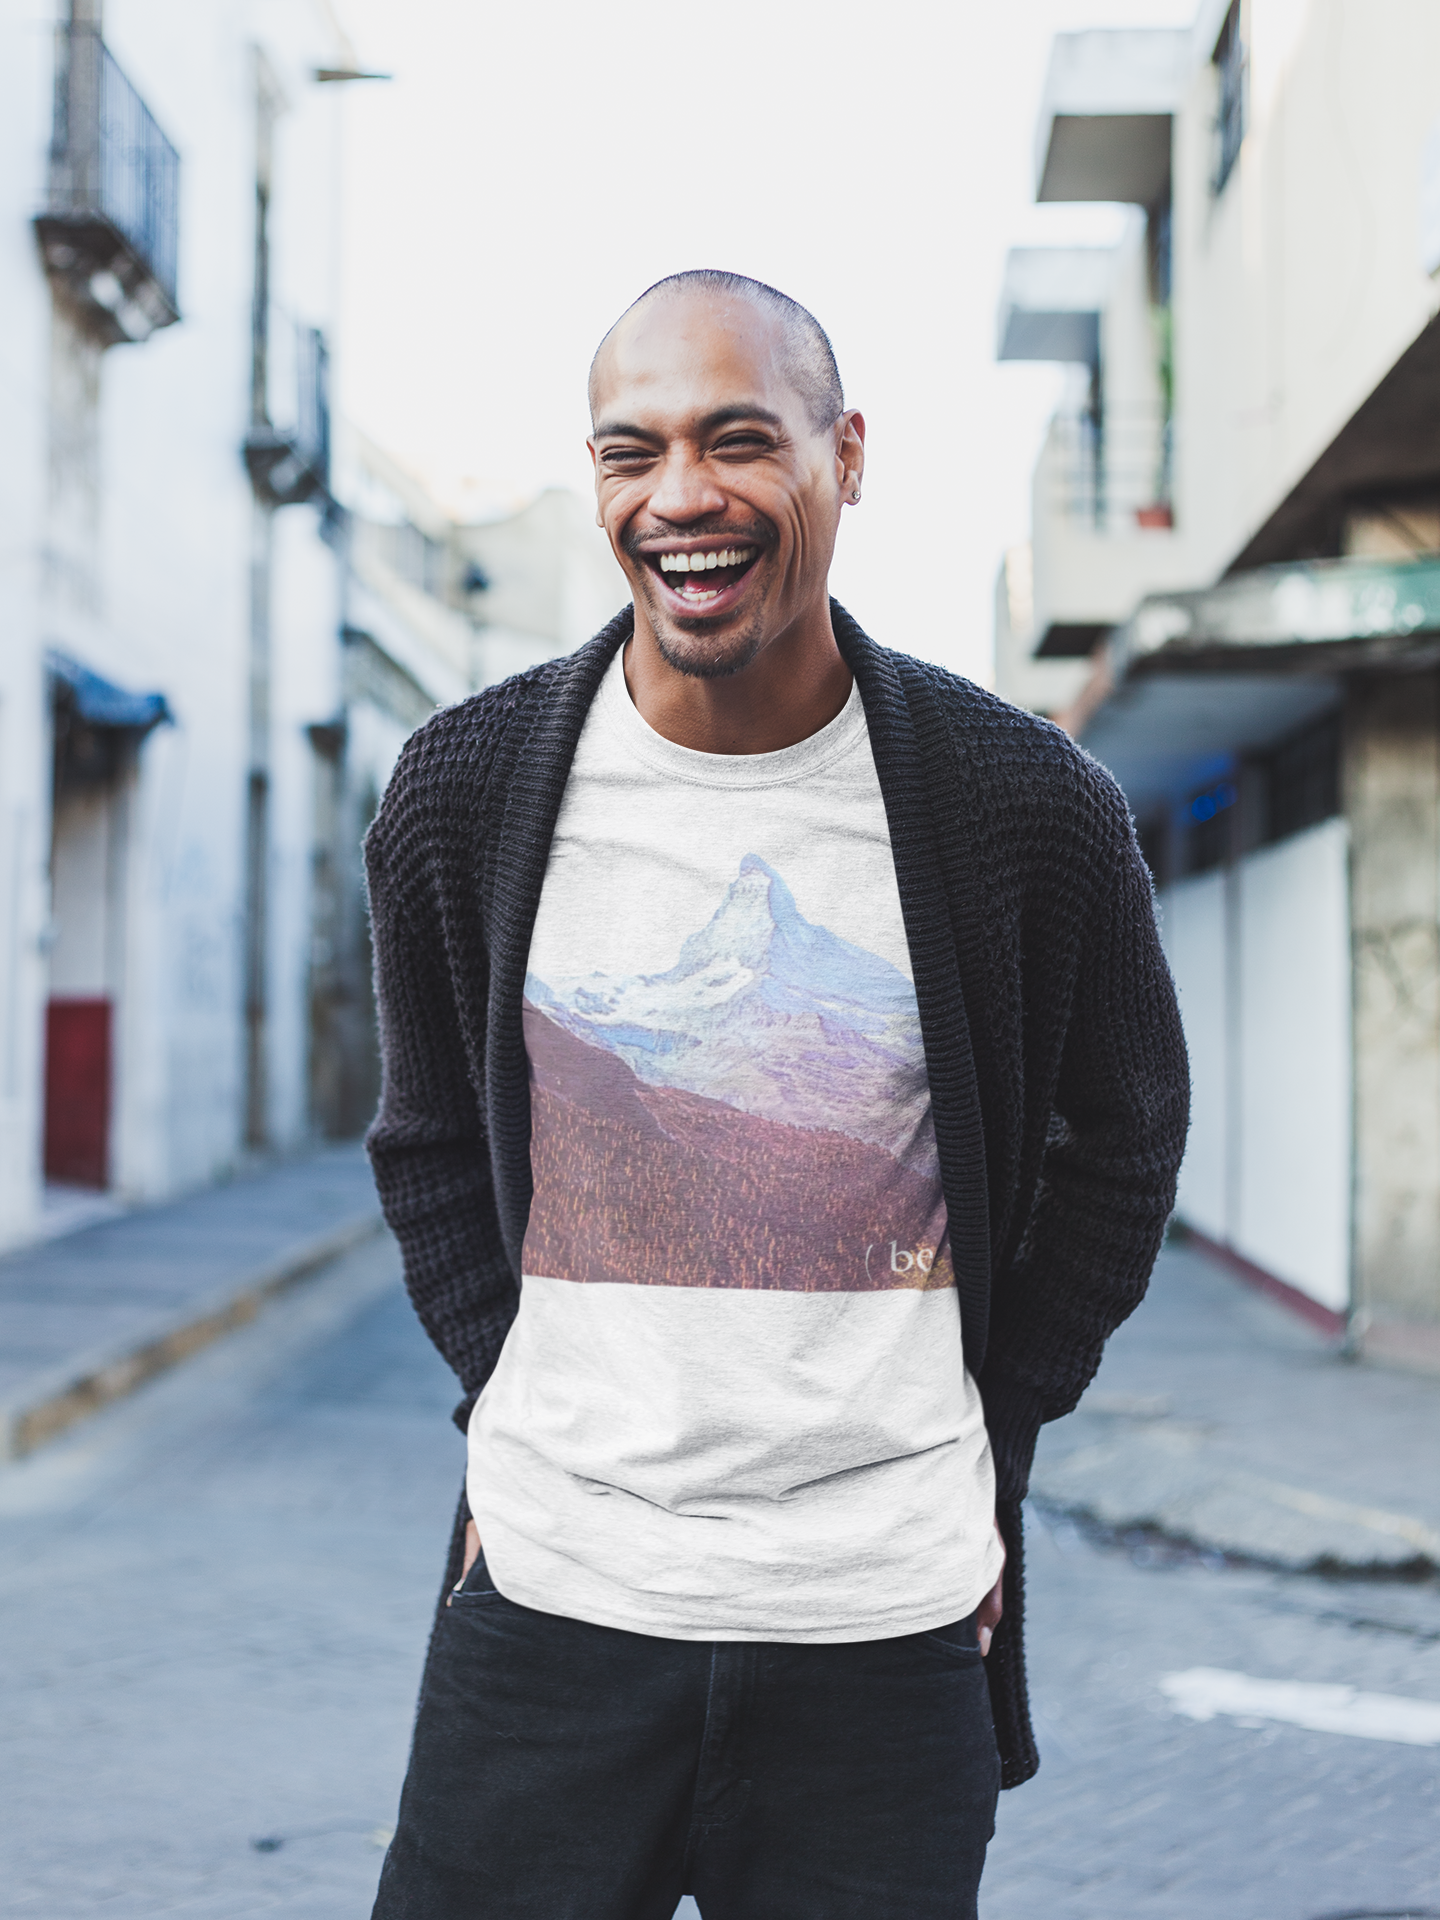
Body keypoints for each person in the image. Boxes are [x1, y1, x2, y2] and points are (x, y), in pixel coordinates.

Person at [364, 270, 1189, 1920]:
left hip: (879, 1637)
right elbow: (430, 1142)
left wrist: (994, 1428)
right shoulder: (465, 788)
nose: (681, 495)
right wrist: (507, 1401)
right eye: (633, 452)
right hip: (551, 1613)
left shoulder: (1025, 804)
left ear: (846, 457)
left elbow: (1126, 1141)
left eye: (738, 441)